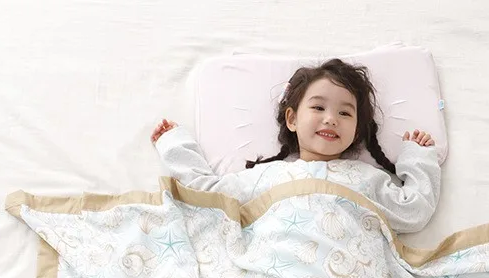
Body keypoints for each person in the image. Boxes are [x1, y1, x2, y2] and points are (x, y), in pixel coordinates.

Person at [151, 58, 440, 233]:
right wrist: (176, 145)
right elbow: (208, 195)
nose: (331, 119)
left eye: (344, 113)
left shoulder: (367, 179)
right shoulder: (267, 176)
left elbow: (414, 211)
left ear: (356, 131)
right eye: (318, 107)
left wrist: (417, 157)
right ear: (292, 119)